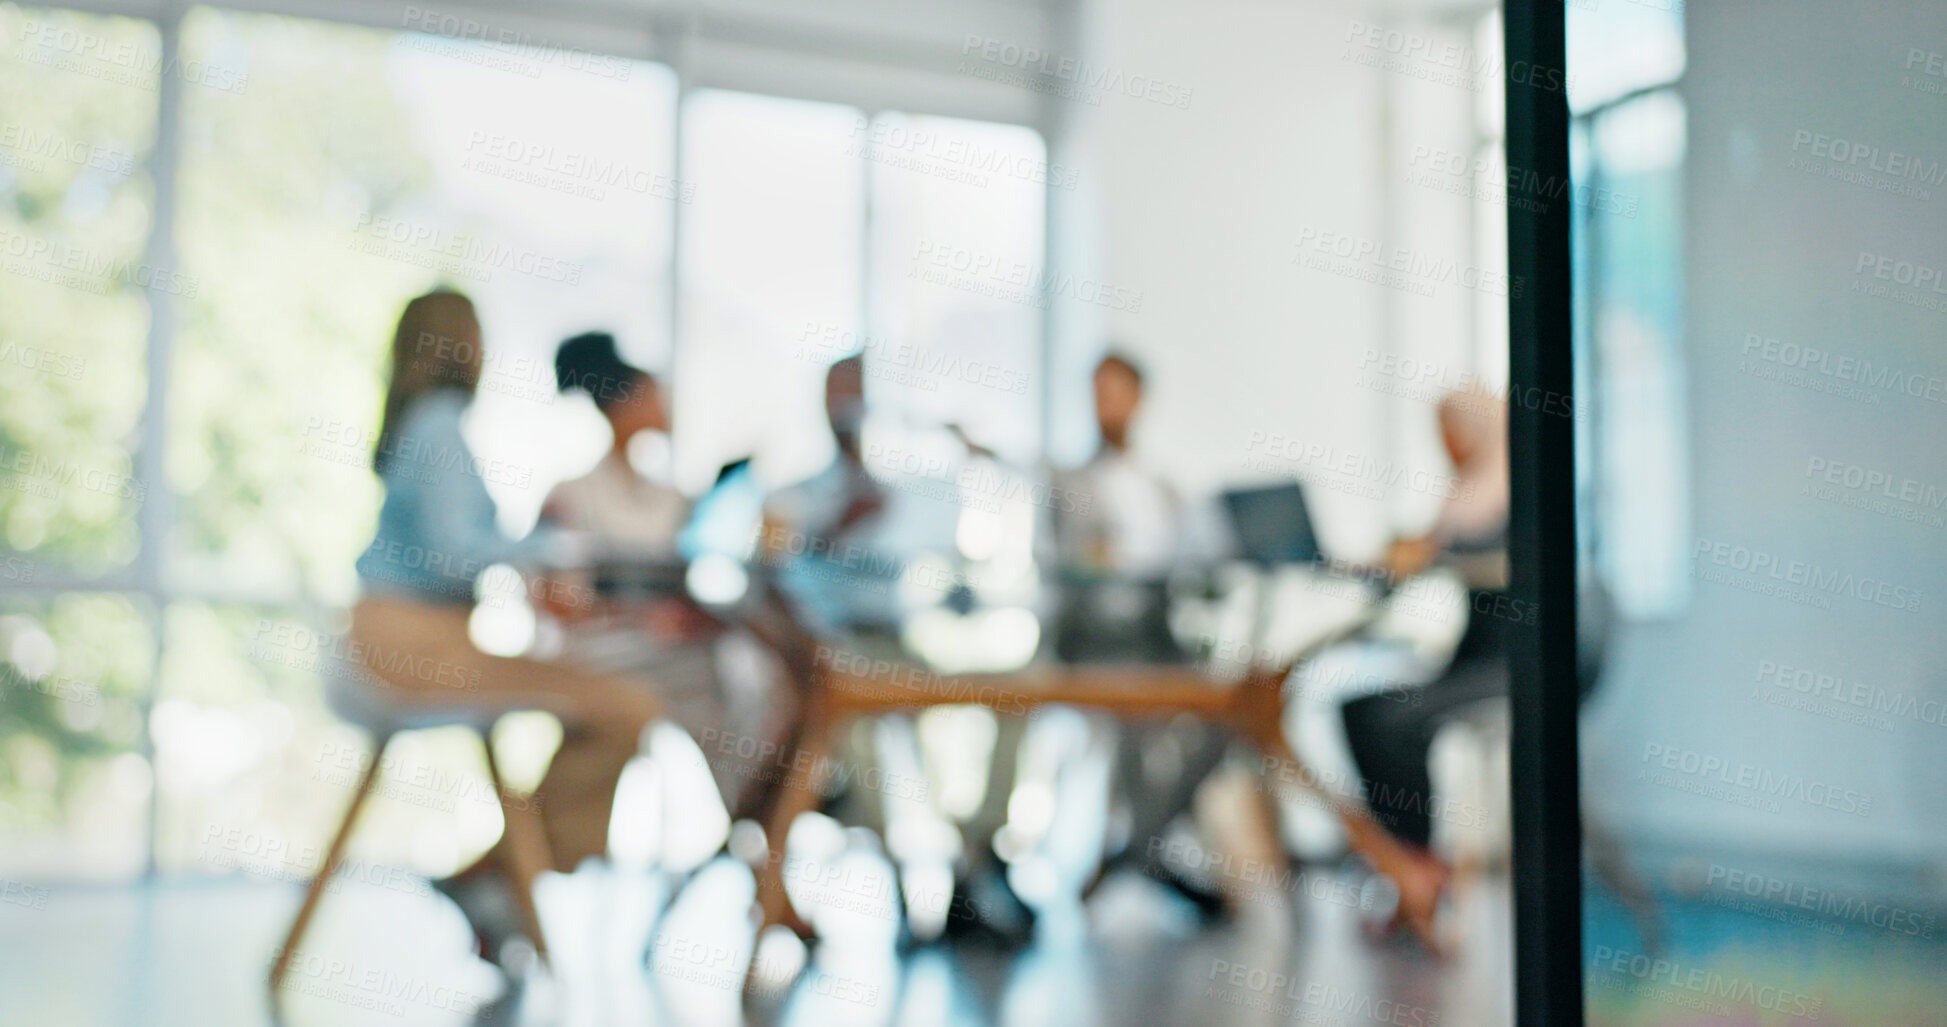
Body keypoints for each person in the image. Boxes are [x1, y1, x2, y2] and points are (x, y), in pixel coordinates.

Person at [350, 292, 661, 964]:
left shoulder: (425, 424)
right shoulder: (436, 425)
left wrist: (528, 545)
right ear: (460, 344)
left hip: (424, 636)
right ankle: (497, 873)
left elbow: (462, 543)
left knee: (619, 706)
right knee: (624, 706)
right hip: (413, 645)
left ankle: (491, 874)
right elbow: (451, 553)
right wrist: (545, 548)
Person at [1338, 392, 1511, 933]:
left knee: (1395, 721)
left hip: (1512, 665)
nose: (1446, 443)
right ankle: (1407, 864)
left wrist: (1421, 556)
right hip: (1469, 659)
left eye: (1452, 429)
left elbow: (1458, 551)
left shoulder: (1511, 488)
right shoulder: (1465, 496)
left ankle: (1422, 873)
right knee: (1359, 709)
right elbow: (1426, 552)